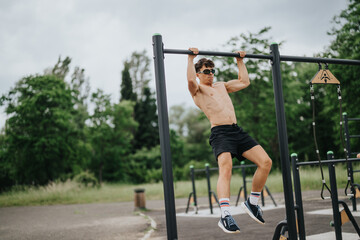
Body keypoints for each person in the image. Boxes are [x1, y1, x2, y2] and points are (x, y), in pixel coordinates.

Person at [187, 48, 272, 234]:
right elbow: (190, 81)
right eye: (206, 71)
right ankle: (225, 215)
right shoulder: (197, 90)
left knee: (266, 162)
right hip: (220, 133)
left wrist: (239, 61)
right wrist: (190, 58)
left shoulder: (221, 86)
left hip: (236, 131)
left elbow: (244, 81)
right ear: (199, 73)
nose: (210, 74)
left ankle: (253, 202)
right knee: (226, 169)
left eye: (212, 71)